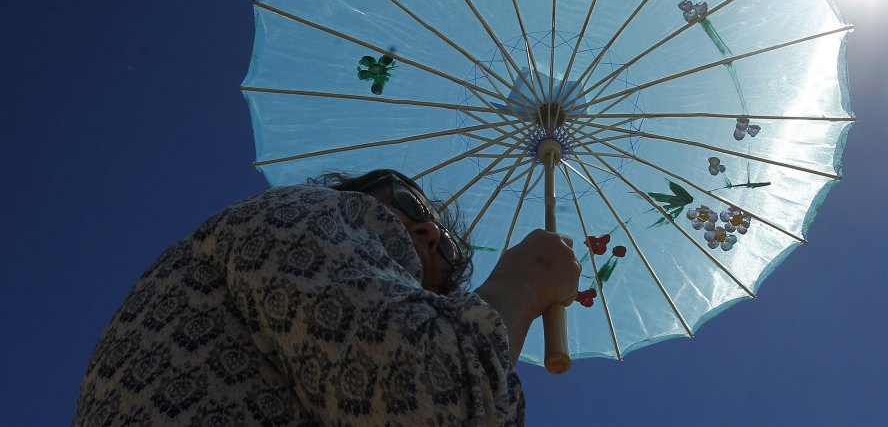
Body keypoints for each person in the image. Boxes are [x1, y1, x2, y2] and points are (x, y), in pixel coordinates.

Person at [73, 169, 581, 426]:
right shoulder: (311, 211)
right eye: (408, 204)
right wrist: (521, 286)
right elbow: (426, 397)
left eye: (446, 249)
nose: (430, 231)